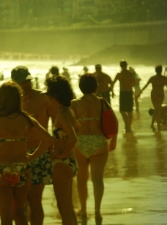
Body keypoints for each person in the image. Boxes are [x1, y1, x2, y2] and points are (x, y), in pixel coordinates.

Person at [0, 81, 57, 225]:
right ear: (18, 99)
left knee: (6, 218)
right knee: (19, 213)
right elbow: (48, 139)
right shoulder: (26, 119)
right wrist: (33, 156)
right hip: (23, 169)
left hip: (2, 170)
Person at [11, 66, 55, 225]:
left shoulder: (43, 98)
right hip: (17, 156)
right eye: (22, 82)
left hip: (40, 154)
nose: (27, 85)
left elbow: (58, 123)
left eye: (28, 80)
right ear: (14, 83)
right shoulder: (11, 102)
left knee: (35, 200)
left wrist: (55, 148)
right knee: (20, 203)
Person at [71, 74, 117, 222]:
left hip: (80, 142)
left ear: (80, 86)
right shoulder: (102, 102)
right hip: (99, 141)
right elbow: (114, 121)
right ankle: (97, 211)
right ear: (95, 86)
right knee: (98, 179)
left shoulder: (75, 103)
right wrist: (113, 140)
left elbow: (69, 124)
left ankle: (83, 210)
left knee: (81, 178)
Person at [43, 76, 80, 225]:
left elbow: (74, 138)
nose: (46, 96)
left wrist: (61, 153)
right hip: (70, 162)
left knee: (63, 209)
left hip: (62, 163)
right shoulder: (67, 110)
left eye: (48, 93)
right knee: (69, 208)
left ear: (55, 96)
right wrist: (62, 143)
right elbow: (78, 126)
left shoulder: (63, 114)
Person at [138, 65, 167, 131]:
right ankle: (152, 124)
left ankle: (157, 125)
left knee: (157, 110)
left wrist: (140, 92)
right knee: (157, 110)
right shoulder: (164, 78)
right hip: (160, 95)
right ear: (161, 70)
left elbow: (145, 85)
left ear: (155, 70)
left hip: (153, 94)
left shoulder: (152, 78)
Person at [112, 60, 136, 133]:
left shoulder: (119, 74)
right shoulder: (130, 73)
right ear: (126, 65)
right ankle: (128, 126)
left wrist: (112, 92)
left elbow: (113, 83)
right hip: (129, 92)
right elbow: (134, 82)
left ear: (120, 66)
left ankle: (127, 126)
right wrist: (129, 86)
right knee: (129, 111)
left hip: (123, 93)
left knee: (122, 111)